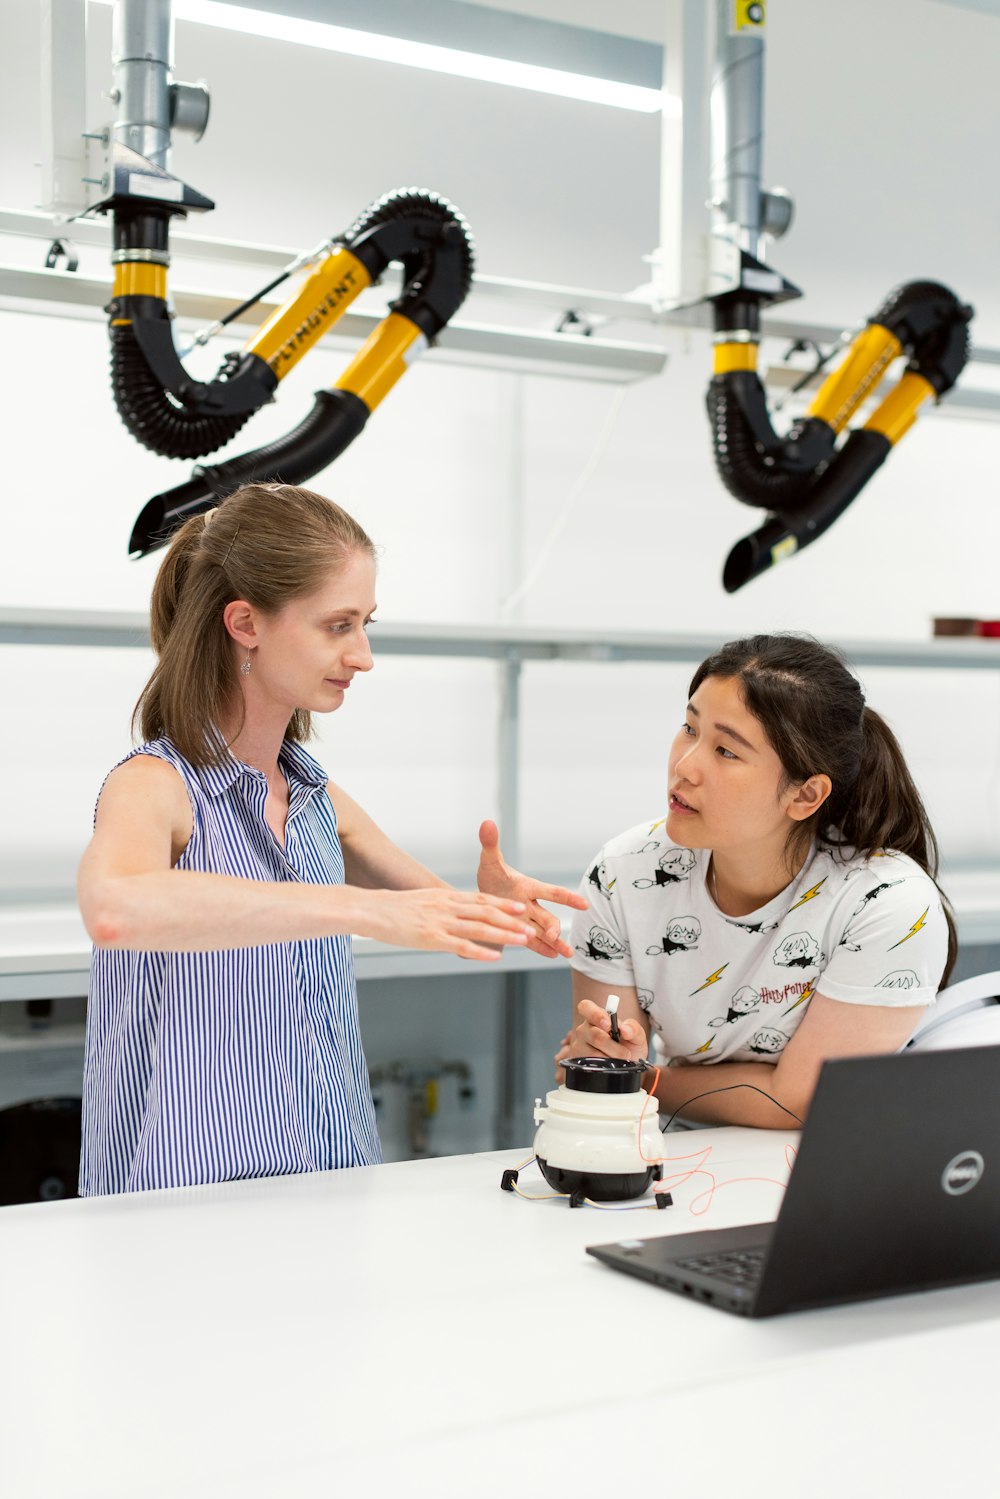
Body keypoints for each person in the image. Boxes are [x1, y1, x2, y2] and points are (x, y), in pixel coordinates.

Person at [77, 482, 587, 1194]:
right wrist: (354, 907)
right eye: (338, 625)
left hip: (332, 1187)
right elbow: (116, 908)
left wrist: (495, 909)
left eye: (365, 623)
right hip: (186, 1209)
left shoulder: (316, 796)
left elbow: (440, 919)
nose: (364, 654)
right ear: (246, 623)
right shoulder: (155, 783)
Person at [560, 634, 955, 1128]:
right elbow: (608, 1068)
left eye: (726, 751)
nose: (685, 766)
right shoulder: (625, 871)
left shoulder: (884, 902)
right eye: (689, 728)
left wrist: (644, 1079)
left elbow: (801, 1101)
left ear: (805, 795)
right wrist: (616, 1063)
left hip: (831, 1167)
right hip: (675, 1157)